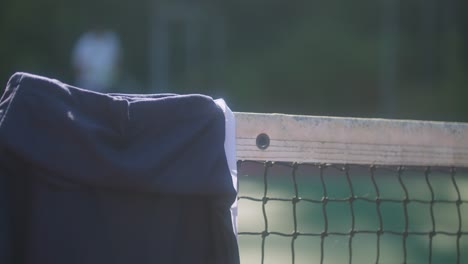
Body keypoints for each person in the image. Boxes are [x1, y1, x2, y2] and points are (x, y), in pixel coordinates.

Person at [72, 23, 121, 92]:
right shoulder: (85, 40)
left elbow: (117, 62)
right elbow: (77, 64)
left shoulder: (111, 40)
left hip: (107, 84)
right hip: (86, 84)